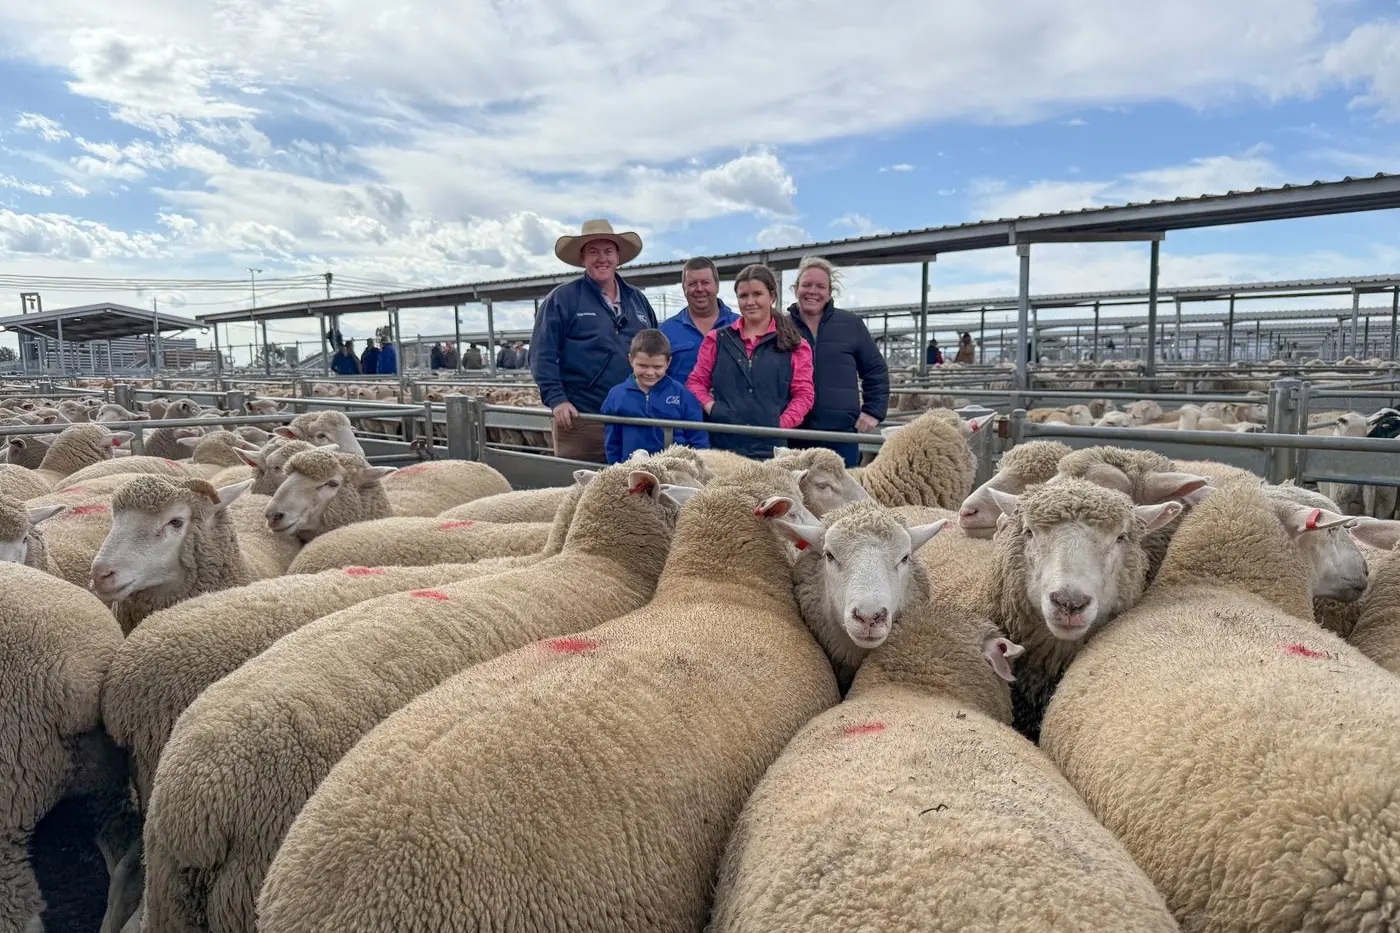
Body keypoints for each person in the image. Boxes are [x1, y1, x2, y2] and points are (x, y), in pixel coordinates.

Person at [530, 218, 658, 462]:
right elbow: (541, 353)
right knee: (579, 491)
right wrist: (557, 399)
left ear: (618, 257)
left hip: (634, 418)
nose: (602, 258)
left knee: (635, 492)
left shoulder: (637, 301)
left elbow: (656, 349)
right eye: (593, 252)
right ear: (583, 258)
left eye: (608, 251)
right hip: (582, 419)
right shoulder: (563, 299)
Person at [686, 264, 813, 460]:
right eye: (743, 296)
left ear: (772, 296)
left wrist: (779, 424)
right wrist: (714, 408)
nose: (750, 302)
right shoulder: (716, 339)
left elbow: (804, 393)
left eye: (757, 294)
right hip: (723, 449)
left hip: (772, 451)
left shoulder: (795, 344)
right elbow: (696, 382)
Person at [786, 256, 888, 467]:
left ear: (830, 292)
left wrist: (873, 411)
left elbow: (875, 369)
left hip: (841, 433)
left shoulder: (850, 324)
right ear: (796, 289)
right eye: (806, 285)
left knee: (843, 495)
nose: (813, 291)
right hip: (794, 433)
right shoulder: (782, 327)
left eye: (820, 286)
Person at [600, 329, 708, 463]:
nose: (650, 373)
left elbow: (698, 437)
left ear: (668, 363)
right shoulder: (617, 395)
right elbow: (612, 440)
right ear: (630, 359)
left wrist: (698, 467)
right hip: (632, 468)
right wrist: (615, 466)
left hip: (674, 471)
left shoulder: (682, 394)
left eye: (657, 367)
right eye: (643, 366)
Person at [659, 256, 739, 383]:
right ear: (683, 288)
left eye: (705, 282)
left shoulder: (740, 325)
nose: (699, 289)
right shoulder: (665, 332)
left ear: (717, 286)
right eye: (692, 284)